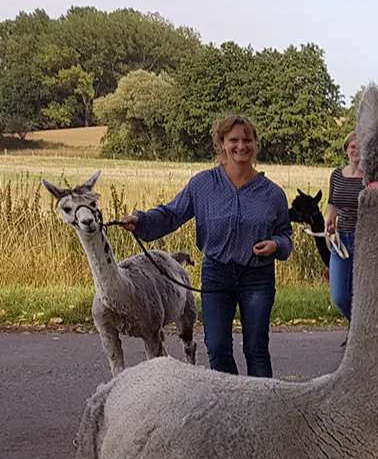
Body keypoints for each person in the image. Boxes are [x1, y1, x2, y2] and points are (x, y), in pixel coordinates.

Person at [118, 114, 292, 377]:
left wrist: (276, 245)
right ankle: (227, 400)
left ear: (255, 143)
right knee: (217, 347)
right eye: (233, 140)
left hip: (257, 277)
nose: (241, 146)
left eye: (247, 140)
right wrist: (141, 222)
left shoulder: (273, 194)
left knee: (256, 348)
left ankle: (262, 402)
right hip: (216, 273)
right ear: (222, 143)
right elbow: (172, 214)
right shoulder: (203, 185)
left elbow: (286, 236)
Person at [324, 132, 364, 320]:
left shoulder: (372, 177)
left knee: (361, 295)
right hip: (341, 240)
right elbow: (332, 202)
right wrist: (329, 219)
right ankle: (359, 325)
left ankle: (360, 329)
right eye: (352, 147)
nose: (356, 151)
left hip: (365, 241)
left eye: (360, 147)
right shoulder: (337, 175)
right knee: (339, 296)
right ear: (346, 150)